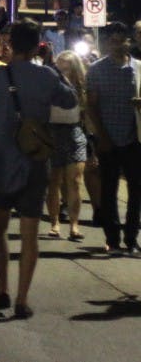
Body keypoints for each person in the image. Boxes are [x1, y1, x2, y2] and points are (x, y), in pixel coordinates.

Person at [0, 19, 78, 317]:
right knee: (29, 233)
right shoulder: (47, 75)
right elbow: (70, 99)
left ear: (9, 43)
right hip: (34, 161)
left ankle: (2, 289)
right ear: (37, 45)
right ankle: (22, 299)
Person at [85, 22, 141, 256]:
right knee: (109, 189)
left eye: (122, 40)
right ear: (106, 43)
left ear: (129, 42)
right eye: (113, 41)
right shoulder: (97, 70)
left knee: (136, 190)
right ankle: (112, 238)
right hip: (107, 137)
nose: (118, 44)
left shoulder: (138, 68)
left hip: (134, 138)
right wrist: (101, 135)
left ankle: (131, 237)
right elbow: (92, 105)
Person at [46, 51, 88, 241]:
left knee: (75, 182)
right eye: (60, 62)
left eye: (67, 63)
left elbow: (87, 114)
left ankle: (74, 225)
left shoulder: (81, 86)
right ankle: (55, 223)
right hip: (52, 132)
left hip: (74, 132)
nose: (63, 66)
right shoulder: (51, 83)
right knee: (53, 182)